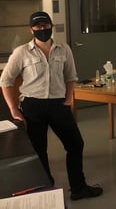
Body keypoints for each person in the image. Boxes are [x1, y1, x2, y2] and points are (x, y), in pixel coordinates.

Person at [0, 11, 103, 201]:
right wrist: (14, 110)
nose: (42, 29)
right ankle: (45, 192)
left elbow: (71, 77)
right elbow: (5, 81)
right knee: (39, 151)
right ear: (31, 29)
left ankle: (78, 188)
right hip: (33, 107)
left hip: (58, 105)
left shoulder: (64, 49)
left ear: (51, 26)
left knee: (75, 144)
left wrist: (68, 100)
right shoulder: (21, 52)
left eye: (45, 25)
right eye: (38, 26)